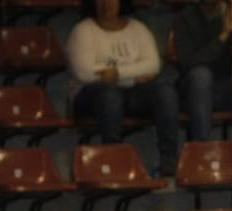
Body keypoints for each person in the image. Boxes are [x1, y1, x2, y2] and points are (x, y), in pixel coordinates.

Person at [66, 0, 181, 176]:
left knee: (164, 91)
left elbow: (153, 65)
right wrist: (133, 74)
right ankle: (114, 160)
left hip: (131, 94)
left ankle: (170, 161)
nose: (106, 4)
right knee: (109, 93)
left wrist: (118, 73)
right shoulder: (82, 31)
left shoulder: (137, 28)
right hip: (89, 97)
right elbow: (85, 72)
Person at [169, 0, 232, 143]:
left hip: (231, 90)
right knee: (201, 75)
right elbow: (188, 61)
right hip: (194, 92)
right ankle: (201, 146)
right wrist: (224, 35)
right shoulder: (183, 19)